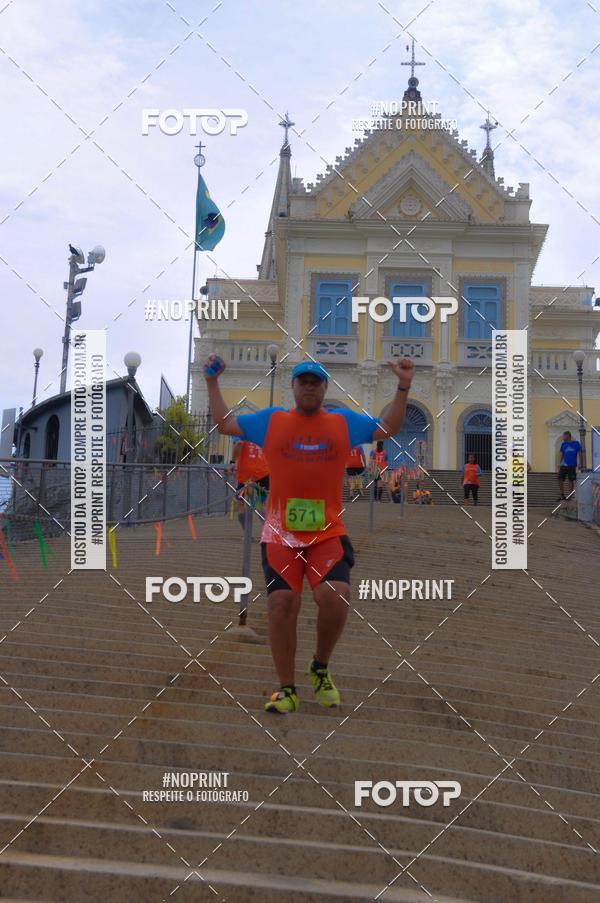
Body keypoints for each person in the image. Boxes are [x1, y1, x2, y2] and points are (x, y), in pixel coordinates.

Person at [204, 353, 415, 713]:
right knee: (282, 603)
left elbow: (388, 429)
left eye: (316, 382)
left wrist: (403, 385)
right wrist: (212, 382)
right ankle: (286, 689)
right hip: (280, 534)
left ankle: (319, 666)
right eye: (303, 381)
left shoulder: (342, 423)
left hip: (325, 531)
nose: (309, 387)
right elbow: (225, 425)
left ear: (324, 388)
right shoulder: (273, 421)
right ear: (293, 385)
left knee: (336, 596)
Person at [230, 439, 269, 530]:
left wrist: (232, 462)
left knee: (240, 502)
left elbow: (239, 443)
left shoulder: (240, 426)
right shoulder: (265, 426)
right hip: (262, 471)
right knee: (261, 503)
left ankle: (247, 533)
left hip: (245, 473)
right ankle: (266, 533)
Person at [558, 430, 582, 501]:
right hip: (563, 464)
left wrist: (580, 463)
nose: (563, 437)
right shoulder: (563, 444)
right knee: (559, 479)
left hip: (572, 464)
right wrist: (560, 463)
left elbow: (580, 453)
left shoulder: (576, 443)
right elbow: (562, 454)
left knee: (570, 480)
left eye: (564, 436)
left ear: (568, 436)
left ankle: (570, 496)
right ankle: (562, 495)